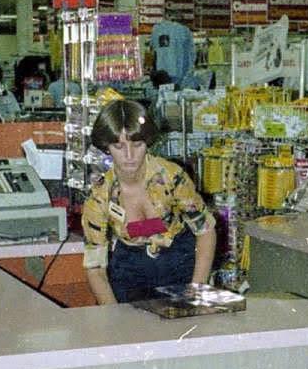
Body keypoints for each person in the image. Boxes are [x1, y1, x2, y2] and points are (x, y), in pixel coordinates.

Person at [82, 100, 216, 304]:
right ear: (106, 147)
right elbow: (95, 267)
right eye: (119, 146)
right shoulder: (100, 197)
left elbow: (205, 231)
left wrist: (197, 290)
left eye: (137, 144)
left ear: (148, 142)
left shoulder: (172, 177)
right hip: (129, 273)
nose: (129, 156)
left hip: (180, 264)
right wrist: (111, 314)